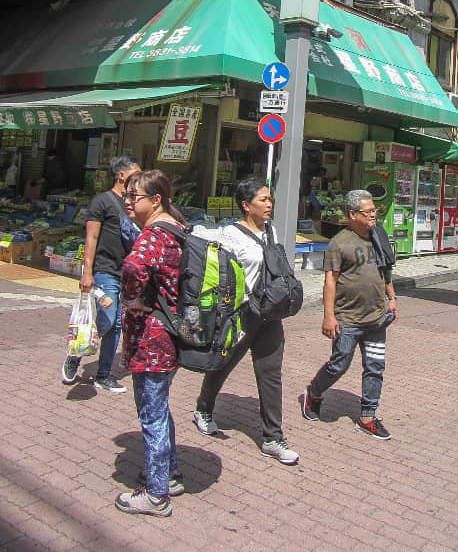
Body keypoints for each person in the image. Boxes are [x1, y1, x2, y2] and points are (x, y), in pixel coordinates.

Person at [192, 178, 299, 465]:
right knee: (223, 362)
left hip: (270, 314)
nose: (269, 204)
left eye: (269, 199)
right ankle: (204, 408)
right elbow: (216, 269)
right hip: (241, 314)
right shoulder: (229, 235)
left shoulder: (270, 231)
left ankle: (273, 438)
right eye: (262, 200)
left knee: (271, 374)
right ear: (245, 205)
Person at [115, 169, 186, 517]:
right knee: (159, 408)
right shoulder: (176, 227)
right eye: (127, 195)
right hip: (170, 333)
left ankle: (157, 495)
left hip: (152, 337)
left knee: (151, 414)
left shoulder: (153, 235)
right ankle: (169, 474)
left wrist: (133, 300)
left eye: (134, 196)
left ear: (155, 200)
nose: (128, 202)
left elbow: (132, 268)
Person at [301, 189, 398, 440]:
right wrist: (328, 316)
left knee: (375, 367)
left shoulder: (379, 236)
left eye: (375, 210)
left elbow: (386, 270)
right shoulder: (339, 243)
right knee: (339, 364)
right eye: (368, 212)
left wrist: (392, 298)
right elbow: (330, 281)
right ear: (352, 214)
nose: (373, 215)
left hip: (376, 318)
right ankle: (314, 392)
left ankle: (367, 416)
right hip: (347, 319)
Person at [61, 155, 140, 391]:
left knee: (117, 325)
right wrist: (87, 273)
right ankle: (76, 350)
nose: (140, 178)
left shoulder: (134, 204)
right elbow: (91, 238)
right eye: (136, 173)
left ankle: (104, 374)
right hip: (105, 270)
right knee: (108, 319)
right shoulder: (102, 202)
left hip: (126, 271)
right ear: (122, 175)